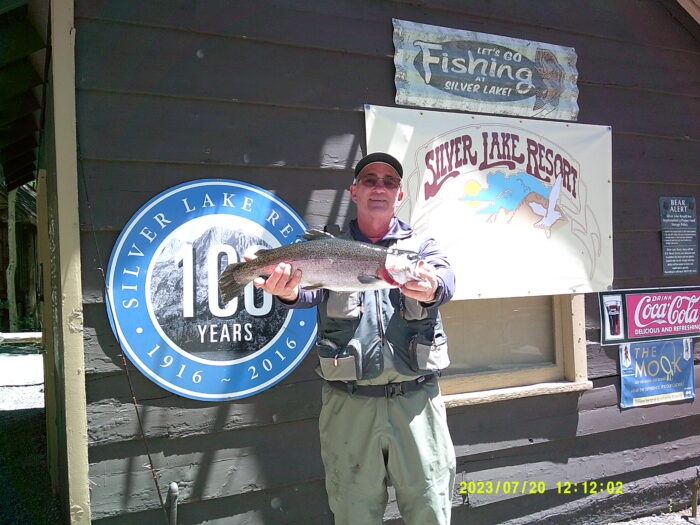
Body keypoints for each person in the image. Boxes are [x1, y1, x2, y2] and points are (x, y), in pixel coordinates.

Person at [254, 152, 456, 525]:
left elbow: (444, 283)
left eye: (390, 181)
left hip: (417, 402)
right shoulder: (329, 248)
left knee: (430, 507)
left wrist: (429, 287)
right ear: (354, 191)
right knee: (353, 512)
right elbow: (307, 294)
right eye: (370, 180)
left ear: (400, 194)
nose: (380, 187)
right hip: (349, 404)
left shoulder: (422, 248)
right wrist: (283, 290)